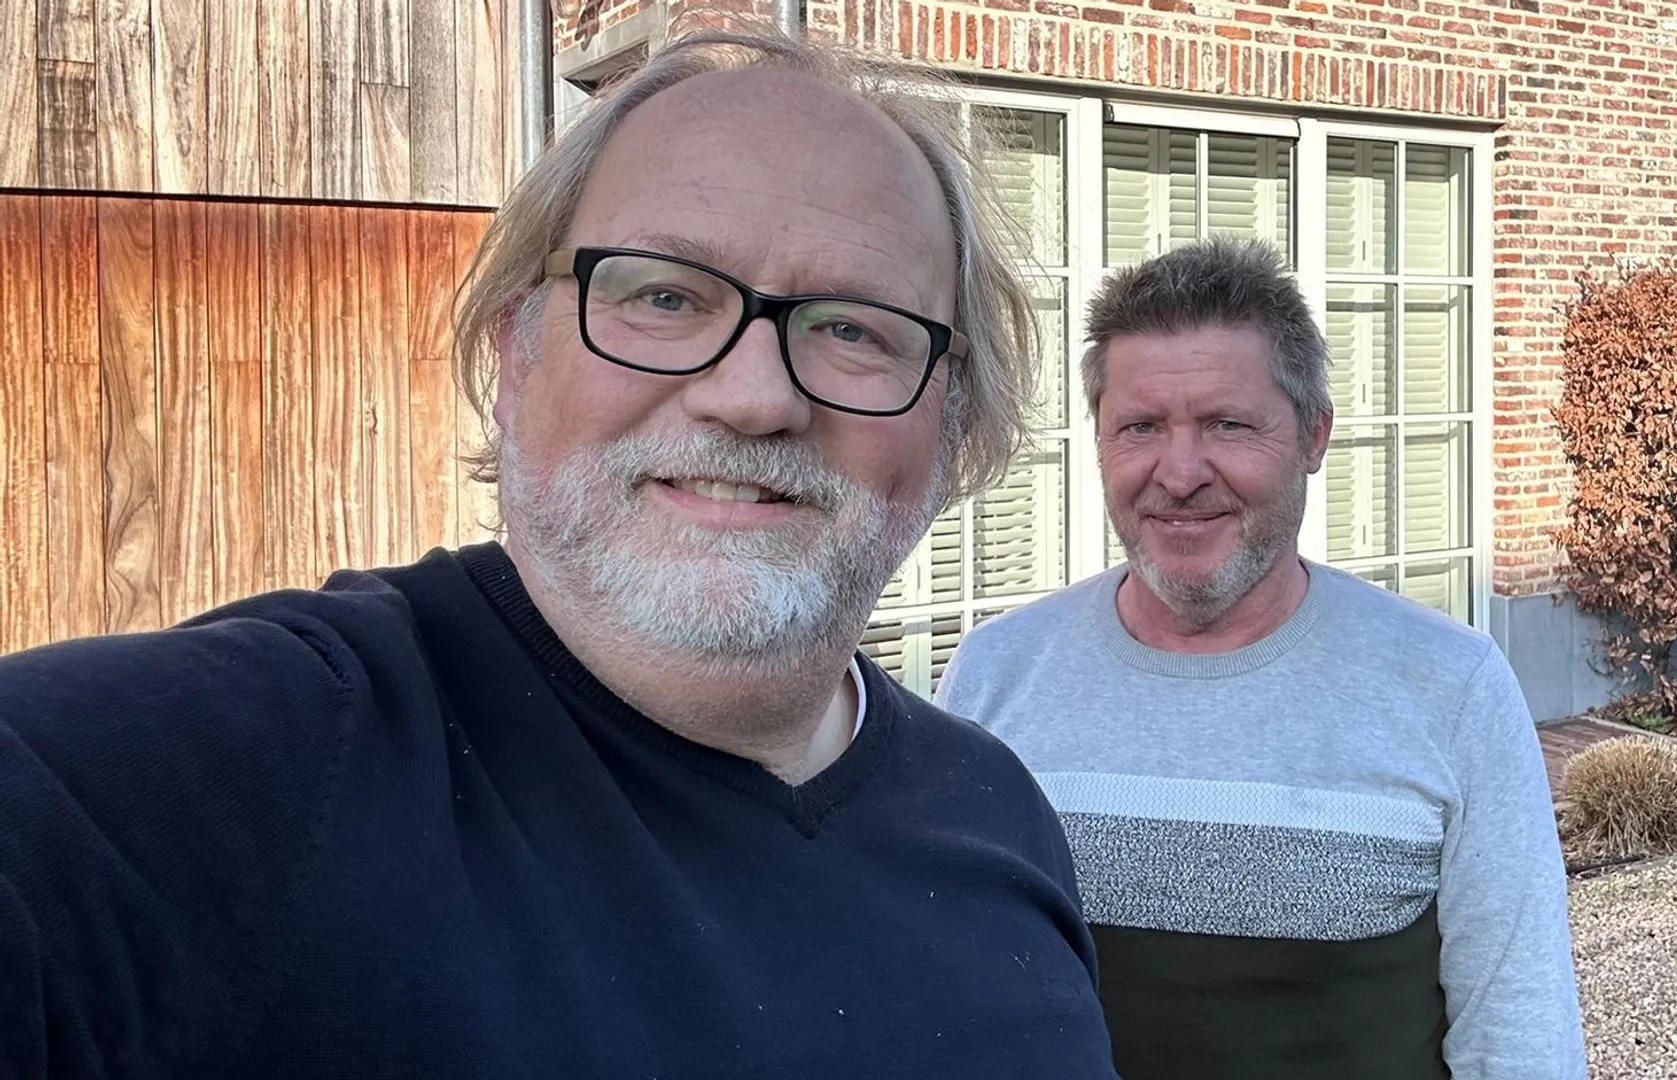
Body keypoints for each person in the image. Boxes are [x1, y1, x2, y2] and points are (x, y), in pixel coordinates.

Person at [0, 28, 1122, 1080]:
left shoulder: (997, 810)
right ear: (516, 354)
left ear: (954, 425)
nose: (754, 396)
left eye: (852, 329)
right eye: (664, 296)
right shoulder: (223, 775)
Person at [937, 236, 1587, 1080]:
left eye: (1228, 425)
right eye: (1140, 427)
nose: (1179, 474)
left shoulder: (1450, 686)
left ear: (1313, 436)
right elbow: (952, 993)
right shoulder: (994, 676)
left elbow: (1520, 1038)